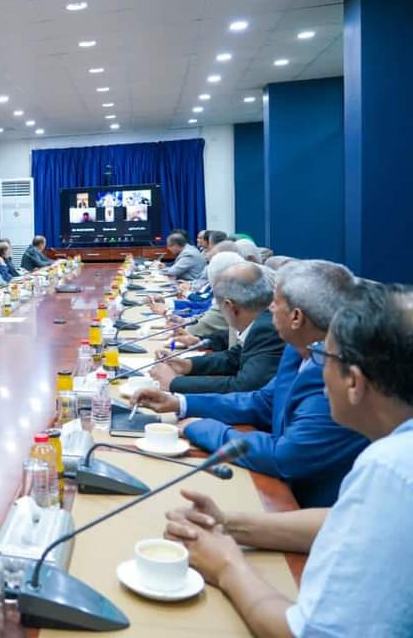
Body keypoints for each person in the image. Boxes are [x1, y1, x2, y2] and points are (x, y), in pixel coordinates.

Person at [162, 282, 413, 637]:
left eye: (323, 357)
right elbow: (344, 521)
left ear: (354, 383)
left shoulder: (392, 465)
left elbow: (308, 633)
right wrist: (229, 525)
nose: (314, 367)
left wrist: (225, 565)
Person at [131, 260, 369, 508]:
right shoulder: (297, 349)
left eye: (275, 303)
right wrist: (180, 403)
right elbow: (262, 402)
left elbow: (283, 457)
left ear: (296, 317)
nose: (269, 308)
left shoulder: (333, 370)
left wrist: (203, 428)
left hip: (316, 509)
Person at [151, 263, 284, 394]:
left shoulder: (267, 328)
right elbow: (234, 358)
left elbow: (243, 387)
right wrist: (186, 365)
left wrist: (174, 382)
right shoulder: (263, 321)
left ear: (229, 306)